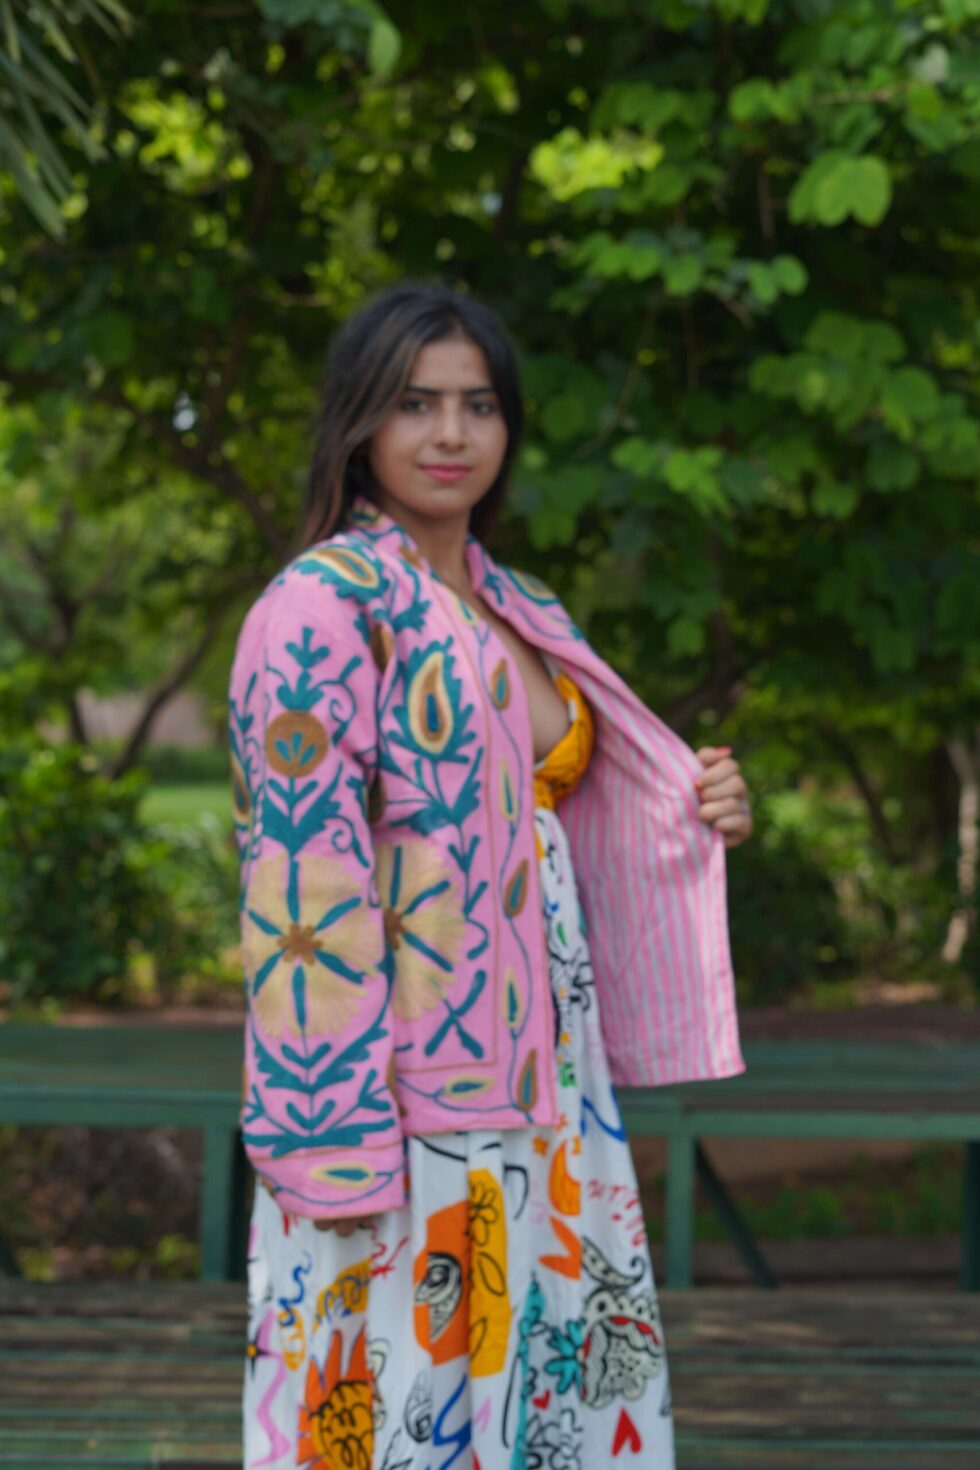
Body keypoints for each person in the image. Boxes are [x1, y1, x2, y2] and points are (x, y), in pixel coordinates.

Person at [229, 281, 752, 1470]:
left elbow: (557, 800)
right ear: (359, 420)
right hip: (405, 1091)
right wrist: (329, 1136)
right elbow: (298, 882)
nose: (450, 434)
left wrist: (698, 799)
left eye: (477, 405)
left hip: (548, 1080)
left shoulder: (515, 602)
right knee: (400, 1409)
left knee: (541, 1405)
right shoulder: (320, 606)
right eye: (414, 403)